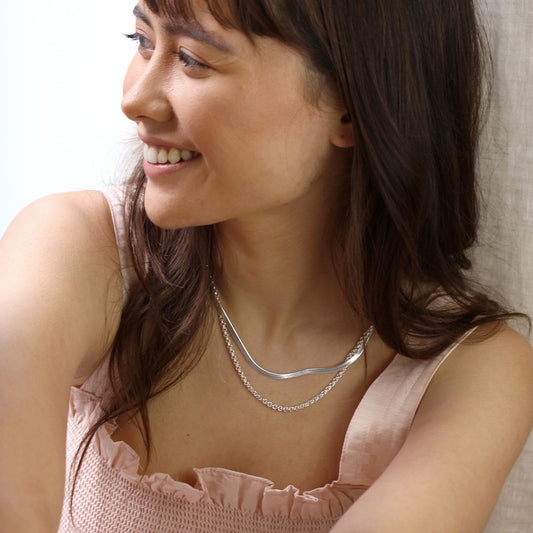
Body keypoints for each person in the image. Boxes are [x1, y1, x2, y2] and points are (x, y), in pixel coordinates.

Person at [1, 0, 532, 531]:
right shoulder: (73, 251)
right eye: (143, 40)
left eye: (191, 58)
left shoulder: (470, 373)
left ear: (349, 105)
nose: (134, 100)